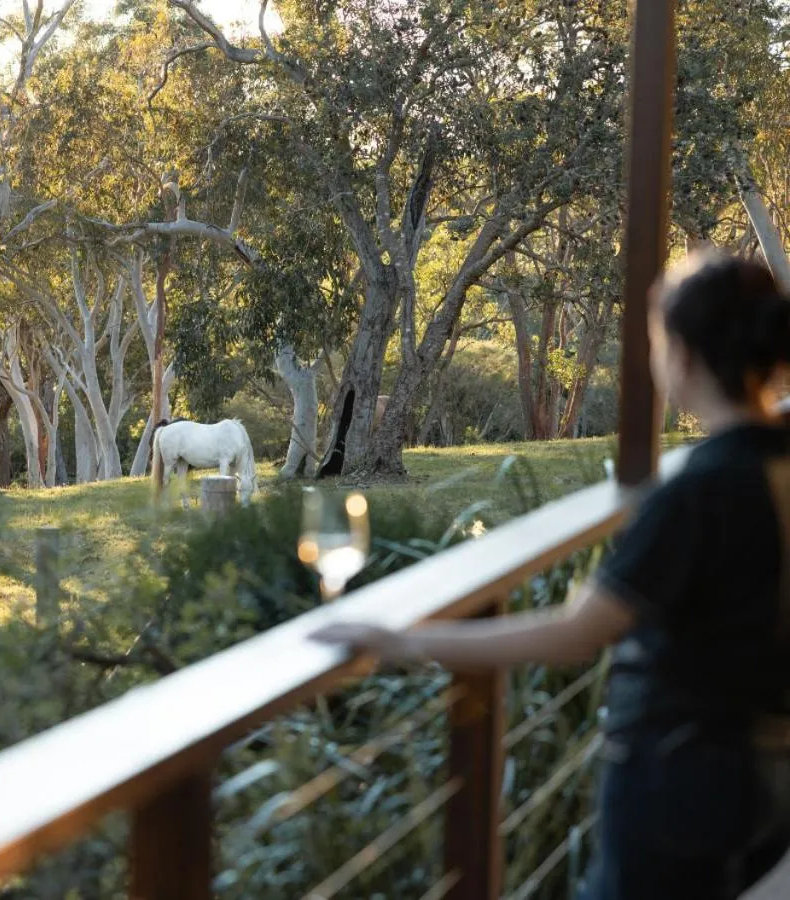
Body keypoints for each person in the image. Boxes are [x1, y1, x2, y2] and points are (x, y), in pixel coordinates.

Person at [311, 248, 790, 899]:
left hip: (687, 787)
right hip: (768, 773)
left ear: (681, 355)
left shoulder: (701, 492)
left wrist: (405, 640)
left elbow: (576, 635)